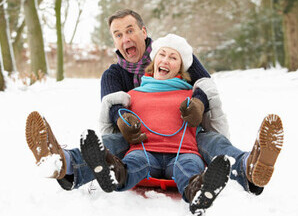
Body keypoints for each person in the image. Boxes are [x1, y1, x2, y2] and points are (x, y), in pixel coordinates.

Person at [25, 9, 283, 197]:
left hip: (185, 138)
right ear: (114, 41)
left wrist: (199, 103)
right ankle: (65, 162)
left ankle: (248, 167)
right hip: (139, 139)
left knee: (212, 141)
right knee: (114, 143)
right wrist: (121, 118)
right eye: (117, 34)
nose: (125, 38)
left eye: (129, 30)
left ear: (143, 32)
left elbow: (206, 85)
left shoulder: (176, 54)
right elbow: (113, 105)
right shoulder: (116, 77)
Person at [80, 34, 231, 215]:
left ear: (181, 69)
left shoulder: (192, 94)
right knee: (134, 163)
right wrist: (121, 120)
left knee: (189, 167)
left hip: (183, 152)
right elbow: (115, 125)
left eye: (173, 57)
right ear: (154, 61)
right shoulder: (133, 95)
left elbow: (213, 123)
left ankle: (198, 191)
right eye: (162, 54)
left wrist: (201, 105)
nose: (166, 60)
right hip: (144, 150)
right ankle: (114, 173)